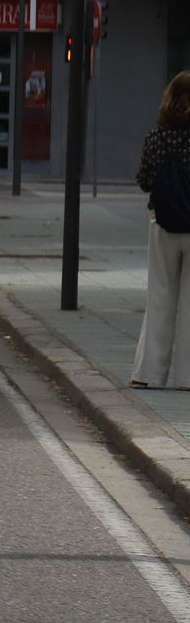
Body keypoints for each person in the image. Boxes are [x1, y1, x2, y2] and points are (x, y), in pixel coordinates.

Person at [130, 71, 190, 389]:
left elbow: (143, 179)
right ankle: (187, 376)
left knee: (161, 295)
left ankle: (149, 374)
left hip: (163, 225)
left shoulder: (158, 136)